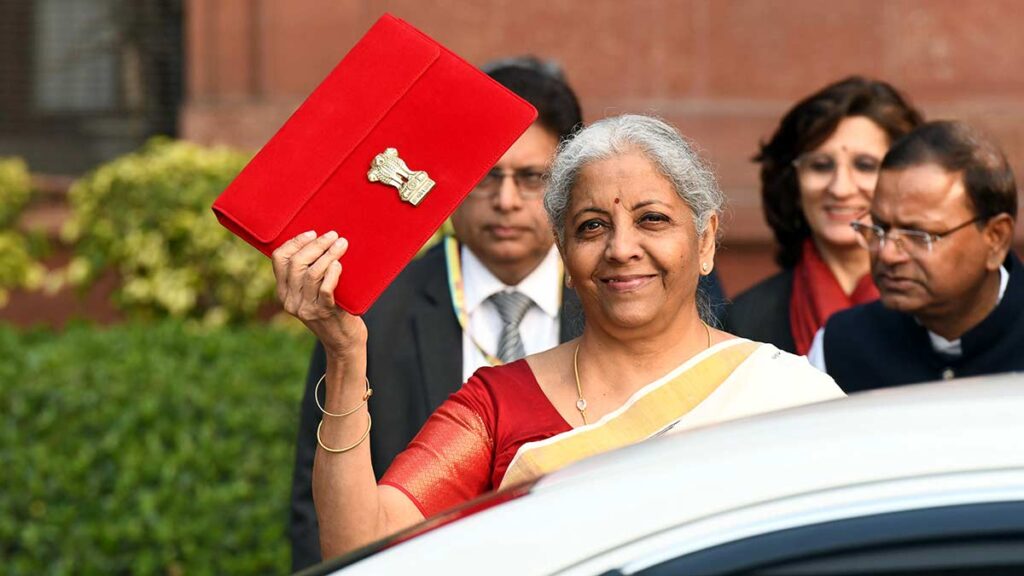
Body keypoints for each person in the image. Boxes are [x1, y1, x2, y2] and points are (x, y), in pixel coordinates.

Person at [273, 114, 844, 559]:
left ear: (706, 240)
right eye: (592, 226)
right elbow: (362, 547)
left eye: (652, 219)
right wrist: (345, 356)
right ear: (565, 254)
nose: (622, 248)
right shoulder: (496, 406)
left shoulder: (786, 395)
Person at [287, 61, 585, 571]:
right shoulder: (371, 311)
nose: (506, 201)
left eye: (531, 178)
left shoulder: (613, 298)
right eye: (487, 174)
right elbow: (315, 506)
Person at [809, 120, 1023, 391]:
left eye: (919, 235)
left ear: (995, 238)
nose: (888, 254)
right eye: (879, 227)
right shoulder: (840, 346)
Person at [725, 77, 923, 354]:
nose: (840, 189)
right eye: (820, 165)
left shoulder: (941, 305)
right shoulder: (746, 321)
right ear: (793, 182)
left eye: (865, 165)